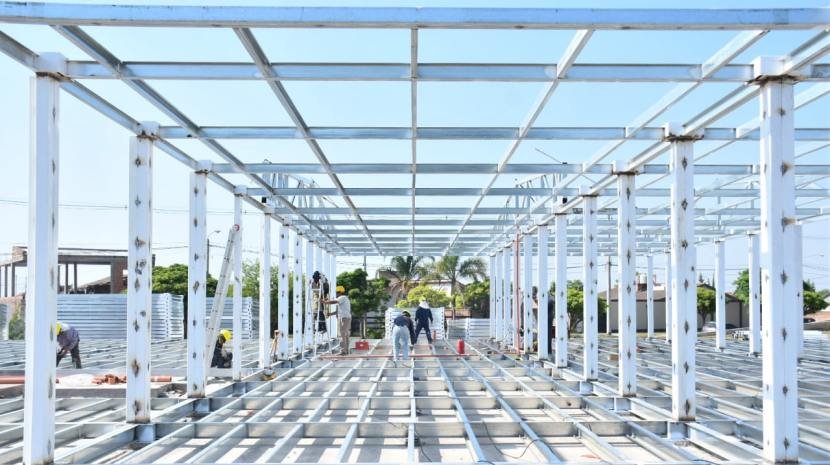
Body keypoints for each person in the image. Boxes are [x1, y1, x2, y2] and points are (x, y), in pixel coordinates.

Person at [323, 286, 352, 355]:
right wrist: (330, 314)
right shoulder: (344, 299)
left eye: (336, 292)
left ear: (339, 292)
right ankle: (346, 350)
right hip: (345, 318)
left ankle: (343, 351)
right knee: (345, 334)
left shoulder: (342, 297)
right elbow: (338, 311)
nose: (336, 294)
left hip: (343, 318)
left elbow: (334, 301)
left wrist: (325, 302)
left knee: (342, 334)